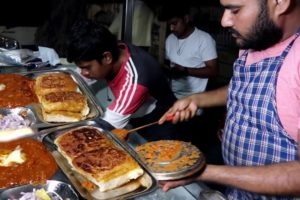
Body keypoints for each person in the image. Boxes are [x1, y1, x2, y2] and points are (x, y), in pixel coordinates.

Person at [158, 0, 300, 199]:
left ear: (281, 2)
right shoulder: (254, 42)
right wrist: (198, 99)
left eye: (235, 10)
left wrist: (204, 172)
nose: (224, 20)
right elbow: (244, 88)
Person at [66, 19, 180, 141]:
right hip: (136, 114)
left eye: (86, 67)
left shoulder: (137, 80)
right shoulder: (112, 47)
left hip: (160, 122)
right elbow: (79, 79)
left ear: (107, 57)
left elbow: (107, 124)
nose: (83, 72)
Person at [160, 4, 218, 104]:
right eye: (169, 25)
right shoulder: (170, 39)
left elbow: (214, 71)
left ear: (186, 19)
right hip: (172, 96)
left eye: (175, 23)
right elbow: (170, 65)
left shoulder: (204, 39)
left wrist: (185, 71)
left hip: (194, 100)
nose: (172, 28)